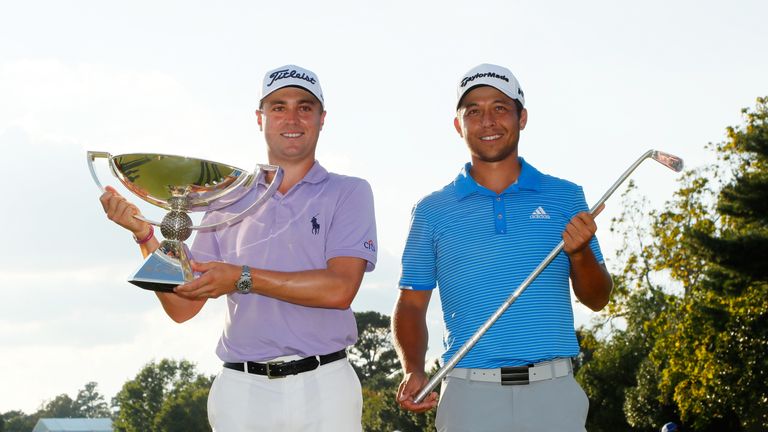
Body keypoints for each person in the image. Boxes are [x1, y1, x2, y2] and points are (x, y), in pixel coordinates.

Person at [99, 65, 377, 431]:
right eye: (278, 107)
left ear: (322, 119)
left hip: (325, 383)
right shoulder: (224, 198)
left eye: (304, 107)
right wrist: (145, 236)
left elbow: (339, 289)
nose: (291, 117)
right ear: (259, 117)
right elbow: (182, 307)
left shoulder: (349, 192)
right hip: (242, 389)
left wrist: (242, 278)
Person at [392, 63, 613, 431]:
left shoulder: (566, 196)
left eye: (499, 107)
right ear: (458, 125)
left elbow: (598, 298)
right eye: (473, 111)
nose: (488, 121)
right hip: (468, 394)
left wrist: (579, 252)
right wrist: (413, 369)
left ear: (522, 117)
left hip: (553, 392)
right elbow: (412, 305)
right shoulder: (431, 211)